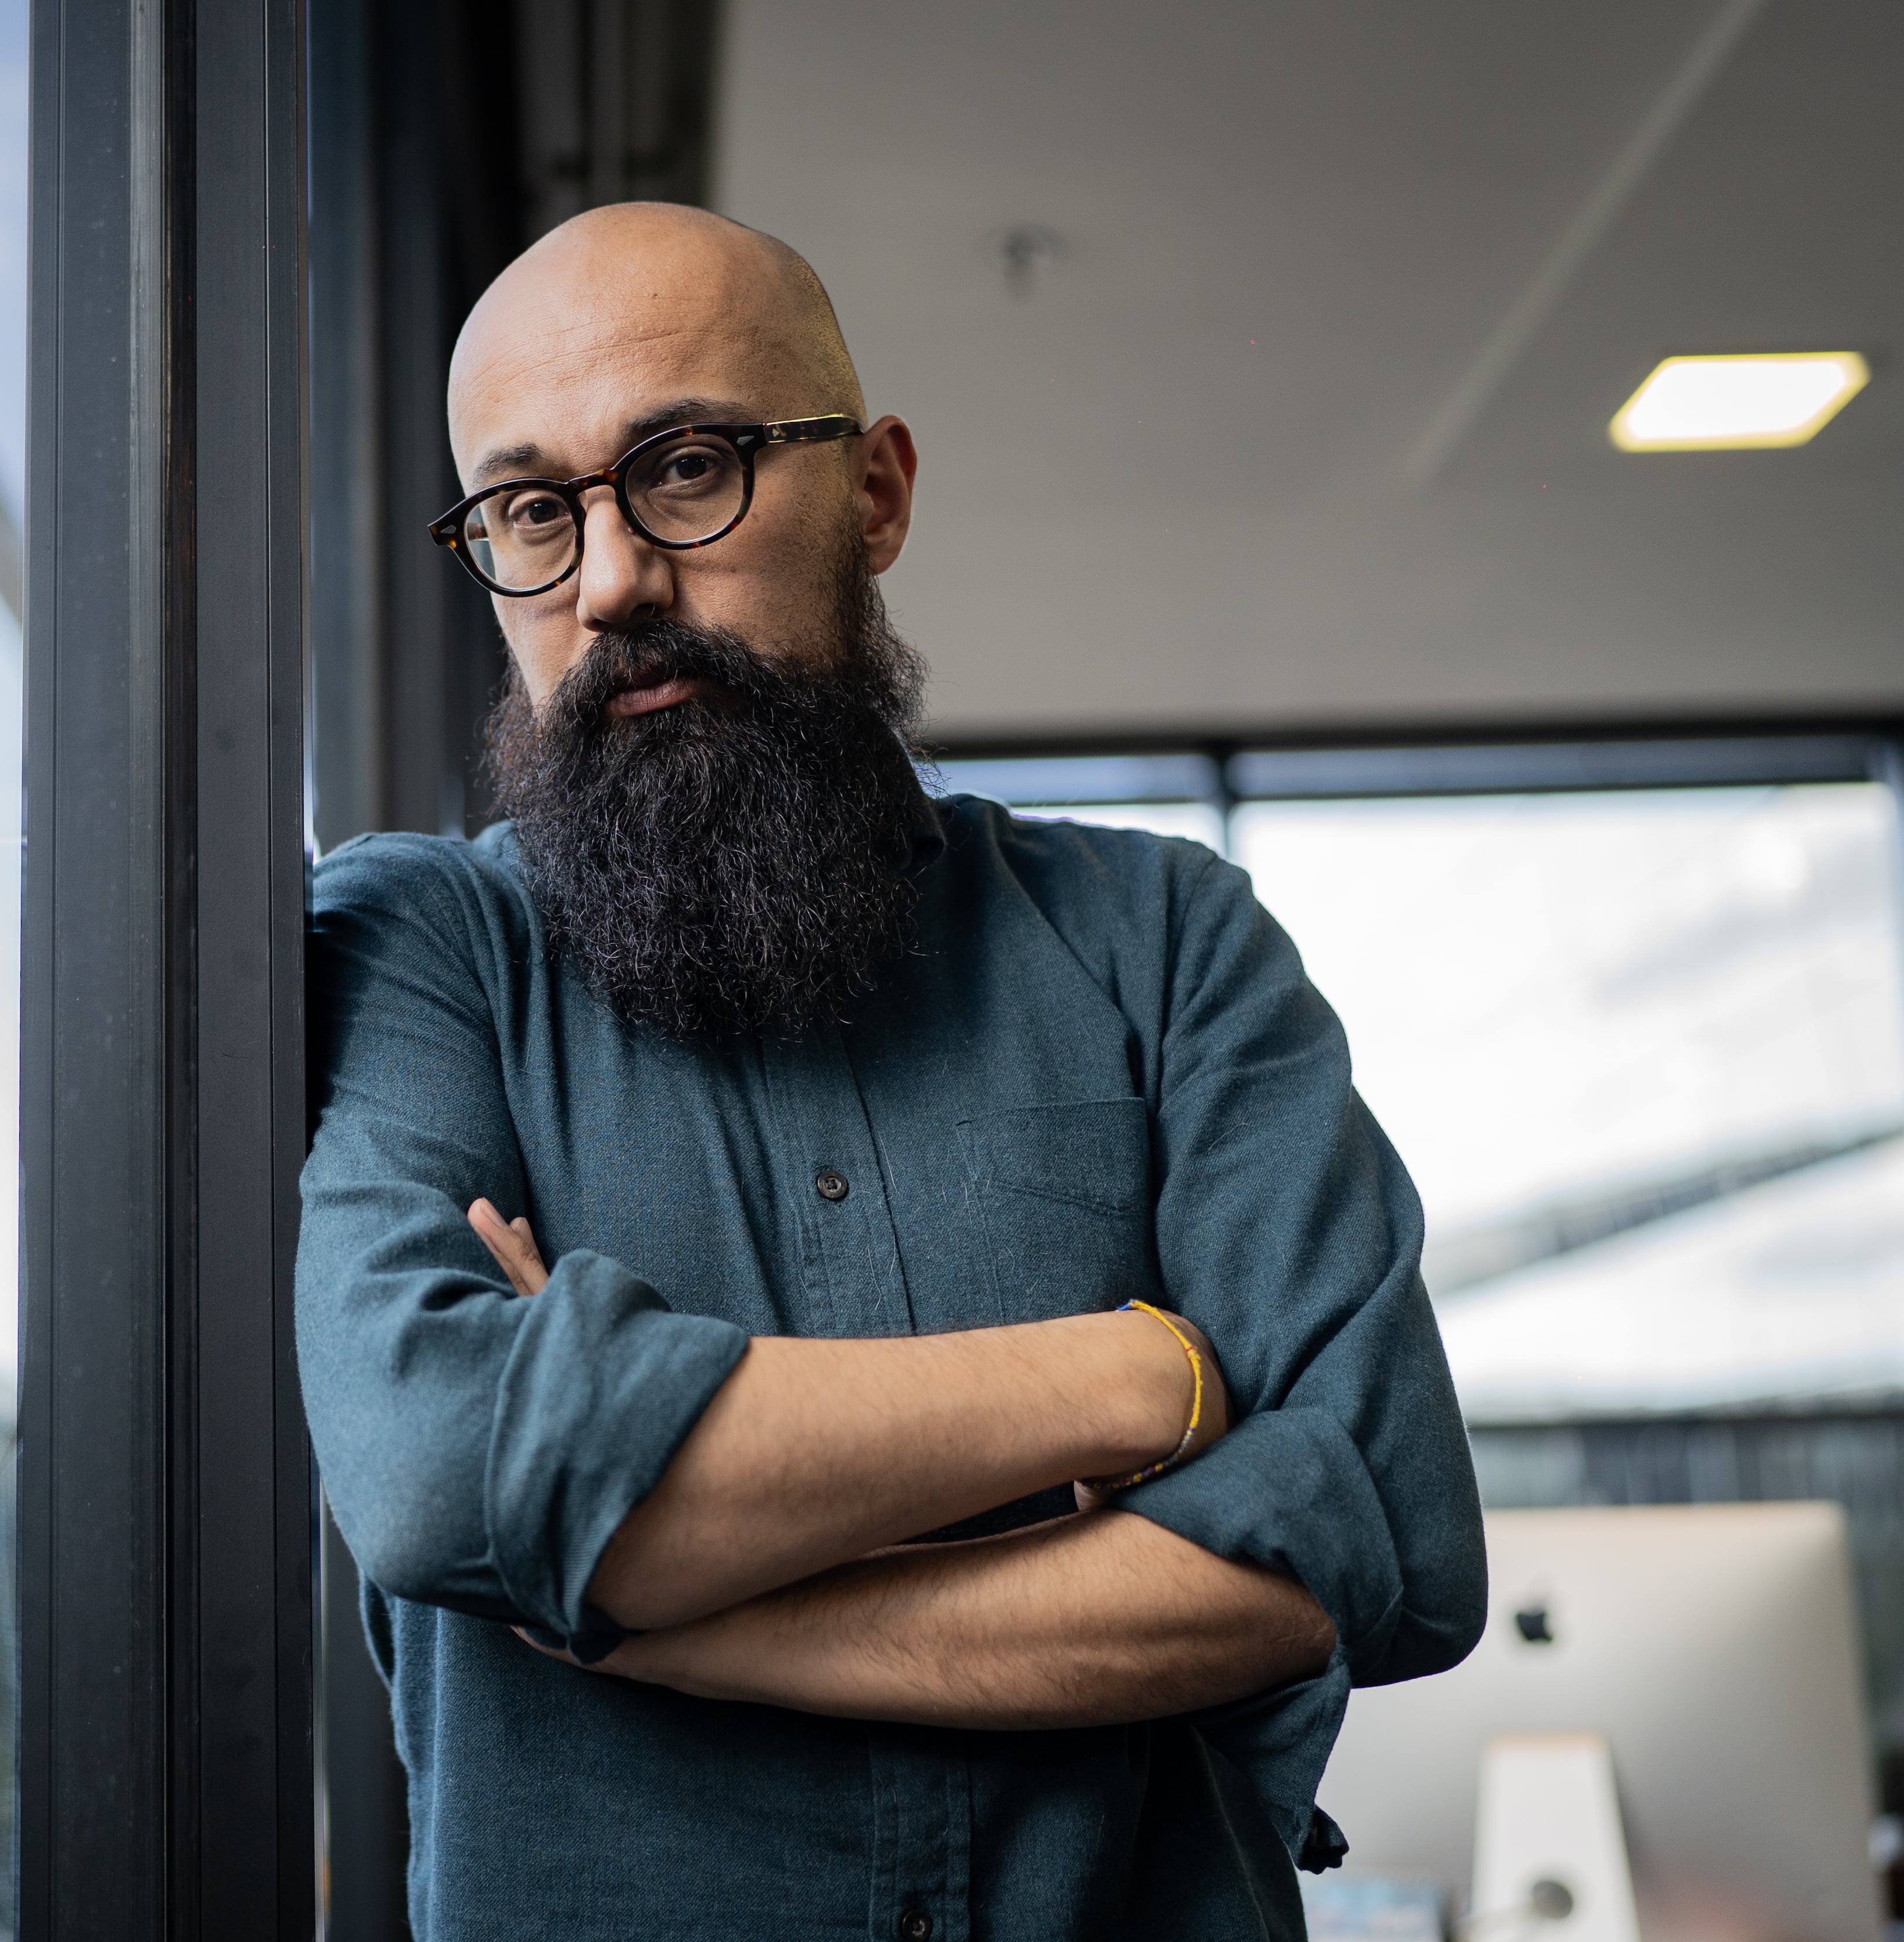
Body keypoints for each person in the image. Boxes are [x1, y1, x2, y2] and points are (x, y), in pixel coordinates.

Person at [297, 203, 1487, 1940]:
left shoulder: (1167, 943)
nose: (614, 578)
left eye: (687, 466)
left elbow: (1379, 1534)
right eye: (533, 513)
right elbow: (441, 1473)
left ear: (877, 494)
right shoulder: (424, 952)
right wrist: (1134, 1376)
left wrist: (682, 1612)